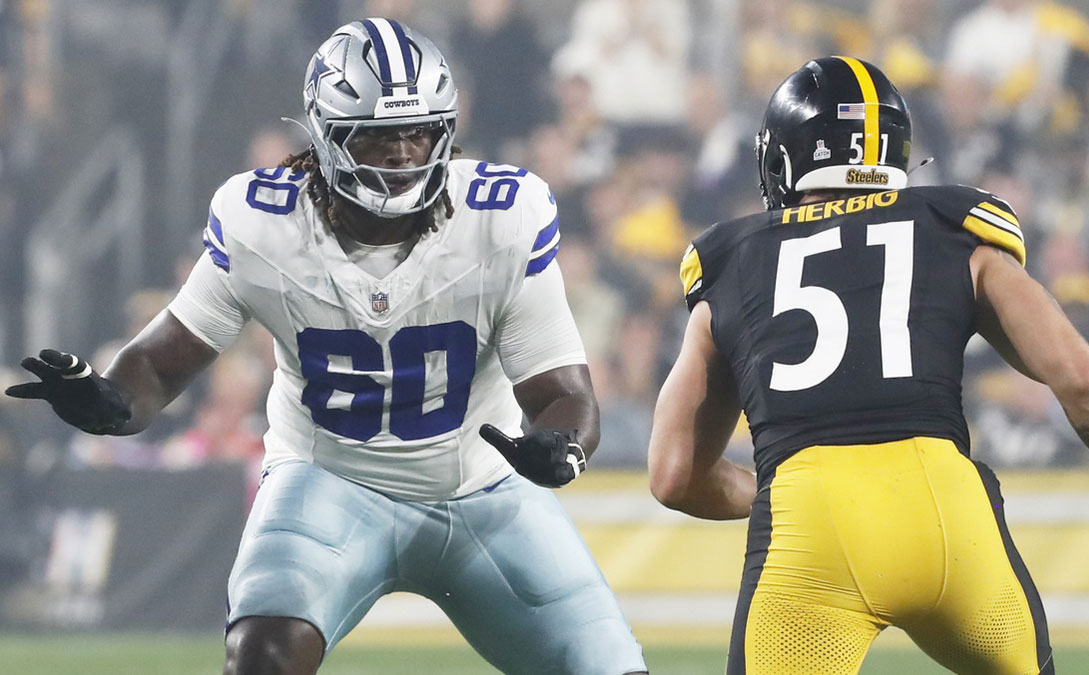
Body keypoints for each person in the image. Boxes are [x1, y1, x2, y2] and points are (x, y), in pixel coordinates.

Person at [5, 19, 647, 675]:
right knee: (262, 658)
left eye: (419, 130)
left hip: (482, 492)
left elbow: (564, 396)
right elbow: (161, 362)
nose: (402, 152)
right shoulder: (263, 221)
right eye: (378, 135)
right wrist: (108, 399)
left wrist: (559, 446)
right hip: (328, 483)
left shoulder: (503, 217)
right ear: (327, 137)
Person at [647, 56, 1089, 675]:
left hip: (809, 529)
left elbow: (673, 475)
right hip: (947, 516)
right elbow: (1084, 378)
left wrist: (777, 491)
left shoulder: (730, 261)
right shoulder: (957, 231)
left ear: (785, 159)